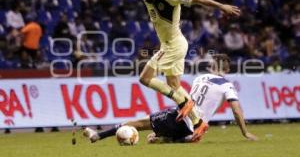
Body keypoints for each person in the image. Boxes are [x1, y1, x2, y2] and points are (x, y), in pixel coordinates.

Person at [93, 0, 241, 138]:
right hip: (171, 44)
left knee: (145, 78)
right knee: (174, 85)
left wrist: (221, 6)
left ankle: (184, 102)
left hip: (173, 45)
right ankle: (198, 123)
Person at [83, 54, 257, 143]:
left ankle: (98, 136)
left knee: (140, 123)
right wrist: (245, 132)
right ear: (227, 70)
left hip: (180, 118)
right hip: (194, 128)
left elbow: (182, 95)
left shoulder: (199, 78)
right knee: (160, 130)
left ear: (212, 66)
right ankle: (166, 138)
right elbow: (236, 110)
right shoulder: (227, 85)